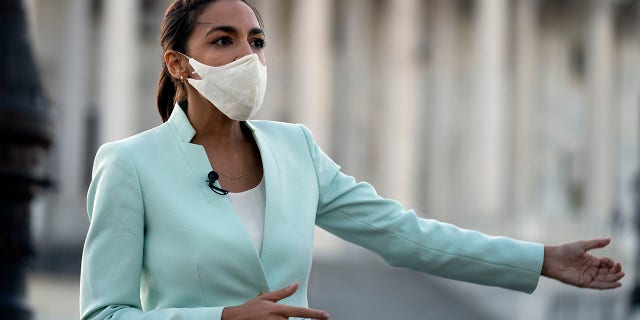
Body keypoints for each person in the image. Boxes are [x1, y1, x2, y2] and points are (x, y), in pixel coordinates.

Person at [79, 0, 625, 319]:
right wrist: (221, 318)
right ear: (178, 63)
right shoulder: (130, 164)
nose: (248, 55)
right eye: (223, 40)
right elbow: (103, 315)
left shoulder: (296, 151)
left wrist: (538, 260)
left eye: (256, 40)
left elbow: (406, 235)